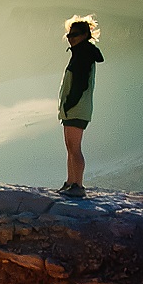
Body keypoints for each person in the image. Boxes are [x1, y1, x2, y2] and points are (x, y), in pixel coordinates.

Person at [56, 15, 103, 198]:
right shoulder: (81, 53)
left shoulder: (83, 55)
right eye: (69, 34)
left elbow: (80, 84)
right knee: (70, 147)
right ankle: (70, 182)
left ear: (85, 35)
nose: (70, 38)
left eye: (75, 34)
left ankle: (78, 185)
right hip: (73, 108)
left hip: (77, 108)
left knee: (74, 147)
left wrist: (69, 103)